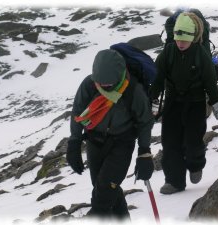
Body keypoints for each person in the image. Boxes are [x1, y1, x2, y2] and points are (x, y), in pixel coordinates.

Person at [66, 49, 154, 220]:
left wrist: (144, 151)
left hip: (122, 143)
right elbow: (77, 112)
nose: (104, 87)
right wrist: (74, 143)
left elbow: (145, 121)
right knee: (102, 187)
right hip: (95, 141)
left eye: (108, 85)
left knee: (105, 189)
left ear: (120, 75)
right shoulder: (89, 84)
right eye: (101, 83)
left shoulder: (132, 90)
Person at [150, 12, 218, 194]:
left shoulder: (200, 54)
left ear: (193, 37)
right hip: (172, 103)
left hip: (195, 103)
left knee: (193, 142)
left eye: (185, 40)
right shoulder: (168, 52)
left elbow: (210, 83)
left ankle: (195, 165)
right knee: (170, 143)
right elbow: (157, 80)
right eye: (178, 39)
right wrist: (150, 101)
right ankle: (174, 182)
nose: (180, 43)